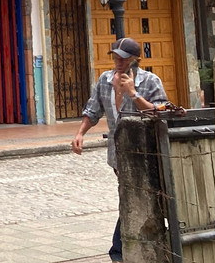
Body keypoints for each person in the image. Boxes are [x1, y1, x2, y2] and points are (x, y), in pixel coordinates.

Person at [71, 37, 168, 263]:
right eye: (116, 57)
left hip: (148, 154)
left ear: (135, 60)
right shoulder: (104, 81)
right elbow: (92, 111)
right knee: (130, 196)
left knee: (144, 197)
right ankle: (121, 250)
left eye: (124, 59)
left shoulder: (151, 81)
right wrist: (80, 133)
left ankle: (124, 249)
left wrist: (133, 94)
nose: (119, 62)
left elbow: (161, 113)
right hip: (119, 156)